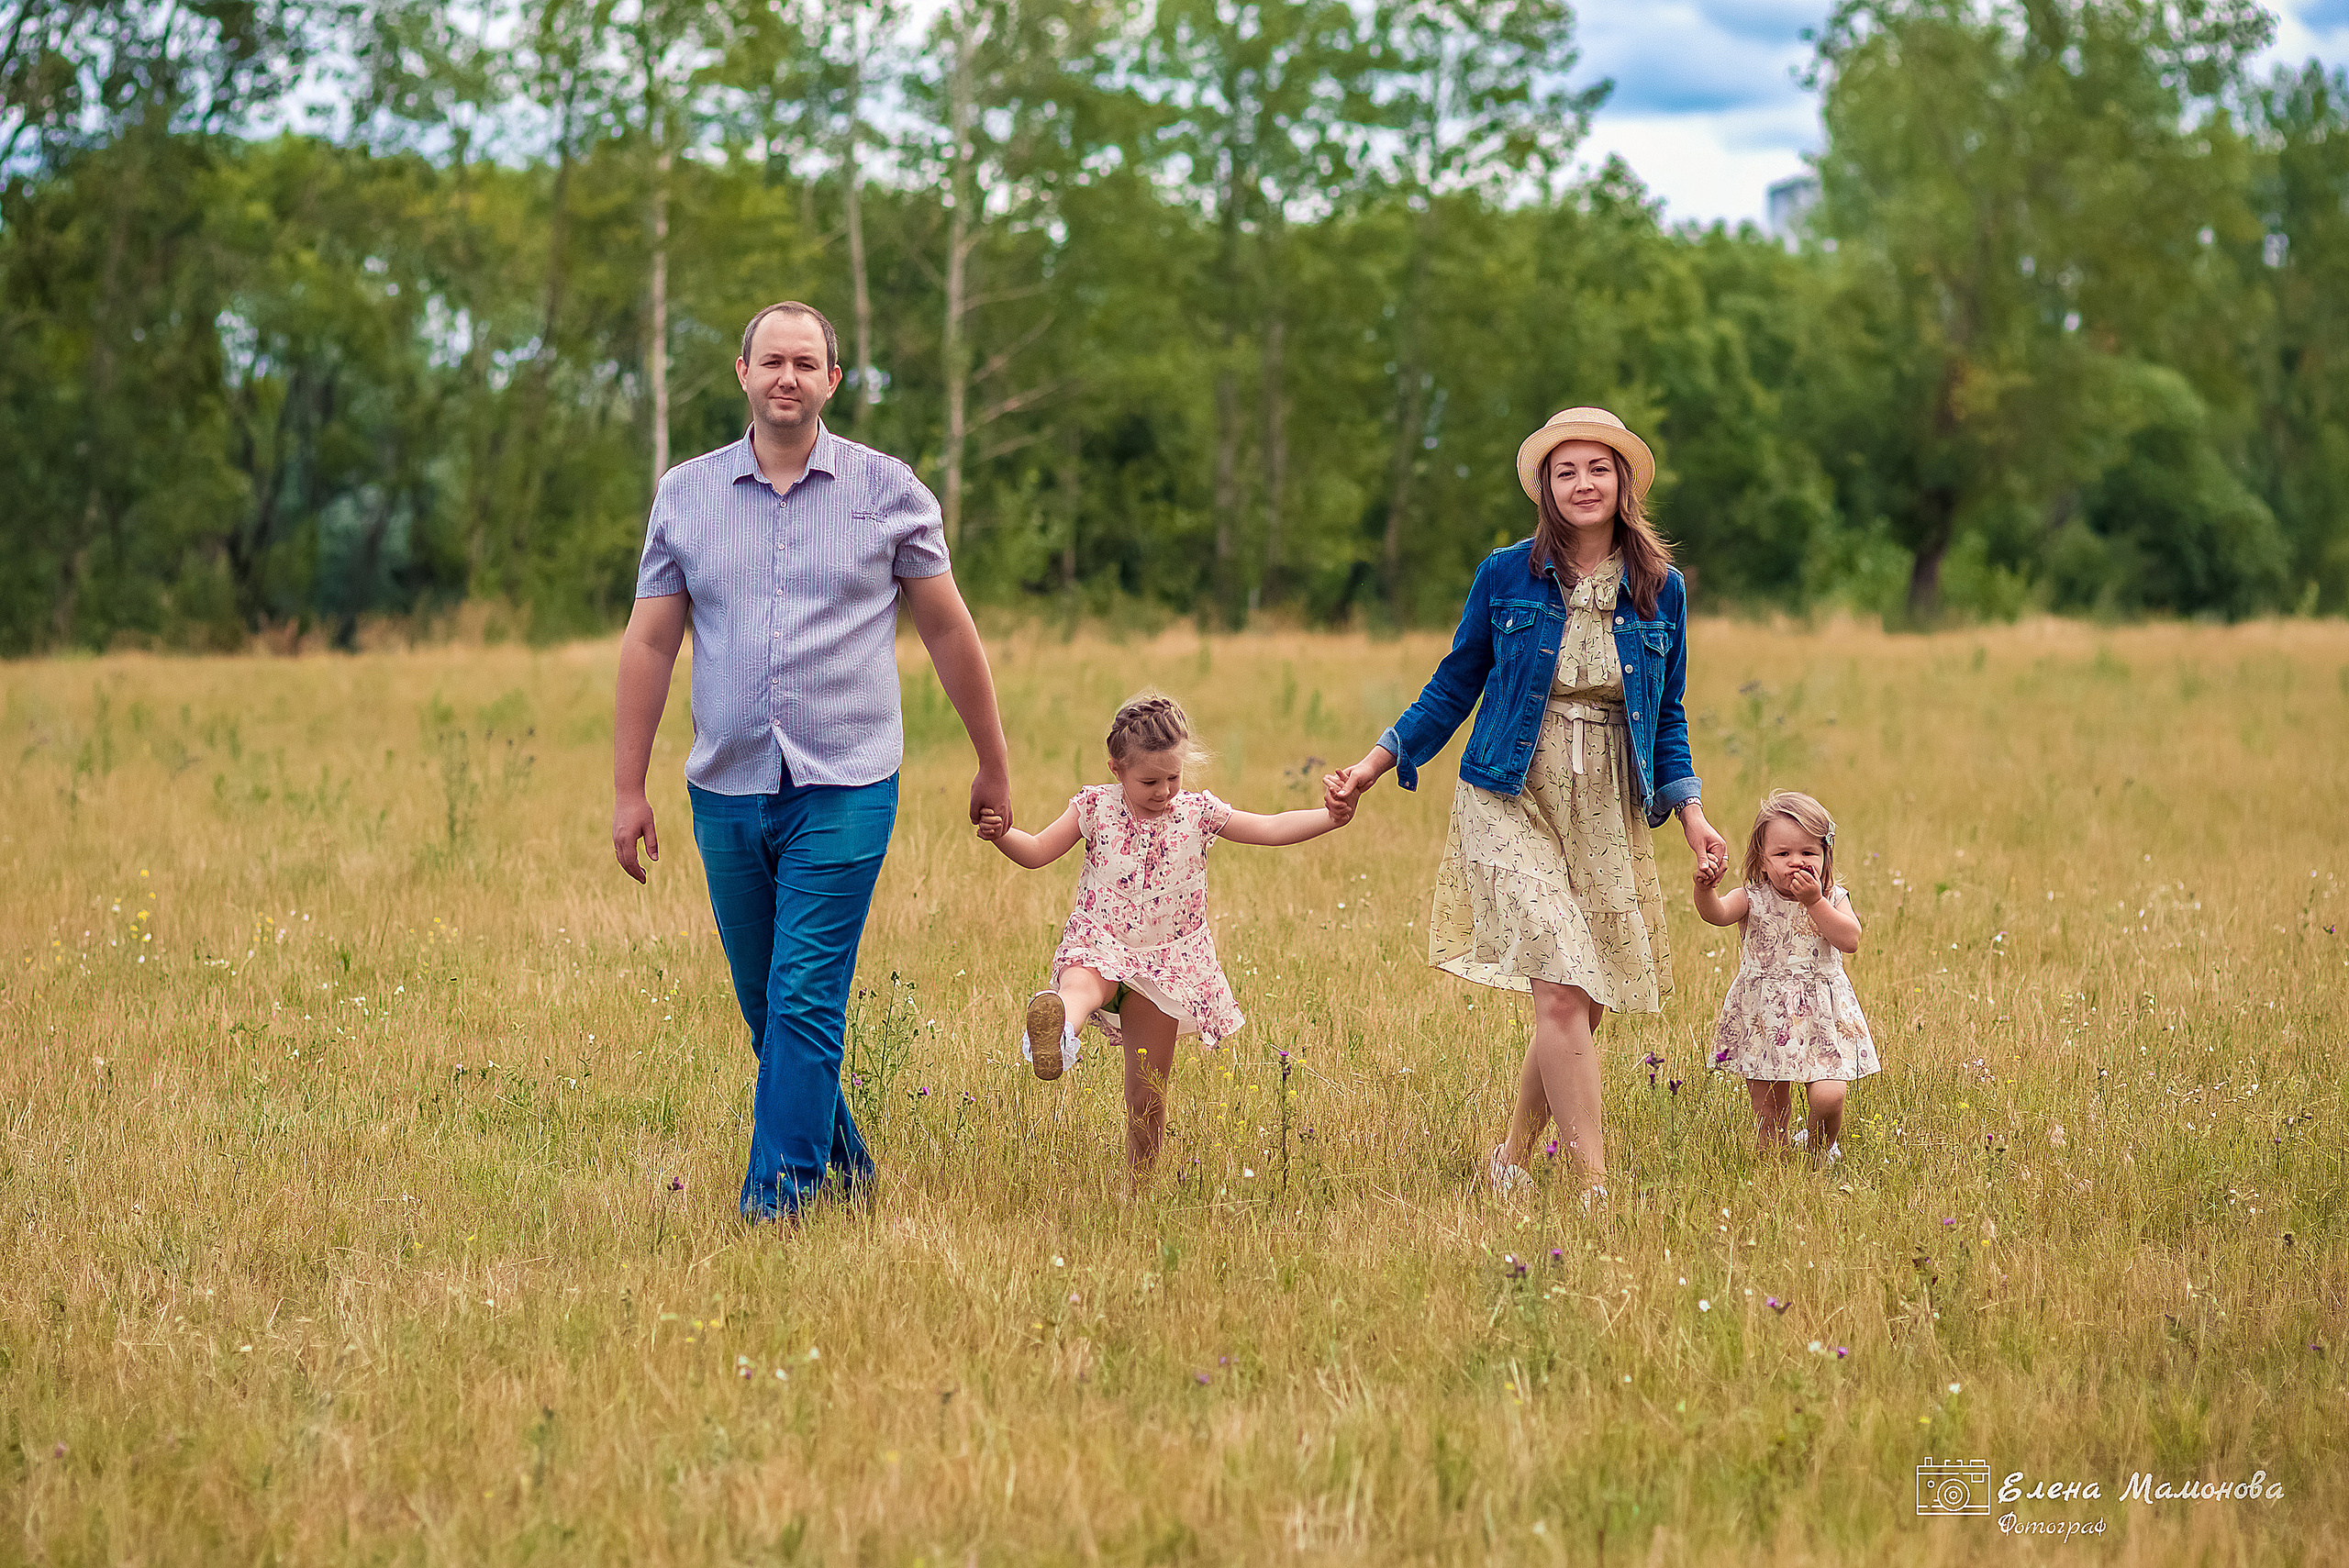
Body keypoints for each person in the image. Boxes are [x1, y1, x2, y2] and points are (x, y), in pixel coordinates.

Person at [611, 299, 1013, 1222]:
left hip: (847, 782)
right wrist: (628, 788)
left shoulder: (889, 491)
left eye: (806, 362)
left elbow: (949, 629)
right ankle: (848, 1172)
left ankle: (776, 1203)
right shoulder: (686, 494)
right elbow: (648, 645)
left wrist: (992, 760)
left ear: (832, 380)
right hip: (728, 787)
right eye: (771, 361)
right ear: (742, 375)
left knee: (801, 993)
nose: (786, 377)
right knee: (770, 1007)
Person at [1324, 406, 1727, 1204]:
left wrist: (1693, 814)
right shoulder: (1507, 574)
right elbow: (1454, 681)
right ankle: (1594, 1189)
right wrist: (1376, 763)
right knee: (1561, 985)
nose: (1584, 483)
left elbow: (1669, 714)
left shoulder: (1661, 589)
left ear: (1624, 482)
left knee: (1584, 990)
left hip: (1609, 797)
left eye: (1599, 468)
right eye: (1566, 470)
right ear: (1546, 486)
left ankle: (1509, 1157)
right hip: (1508, 787)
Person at [976, 692, 1353, 1172]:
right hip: (1101, 939)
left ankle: (1140, 1187)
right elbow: (1034, 851)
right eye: (1149, 780)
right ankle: (1055, 1038)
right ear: (1116, 769)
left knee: (1148, 1092)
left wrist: (1330, 818)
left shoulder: (1197, 814)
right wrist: (1000, 833)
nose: (1164, 791)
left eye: (1173, 778)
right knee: (1080, 985)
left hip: (1167, 962)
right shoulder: (1094, 808)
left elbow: (1270, 827)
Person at [1694, 789, 1876, 1162]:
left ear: (1826, 858)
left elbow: (1850, 939)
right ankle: (1774, 1170)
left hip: (1822, 1016)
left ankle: (1819, 1151)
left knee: (1830, 1096)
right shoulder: (1752, 898)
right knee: (1771, 1117)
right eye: (1783, 854)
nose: (1797, 862)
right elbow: (1716, 914)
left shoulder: (1833, 897)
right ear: (1762, 862)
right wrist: (1704, 889)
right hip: (1765, 1017)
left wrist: (1814, 902)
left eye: (1809, 853)